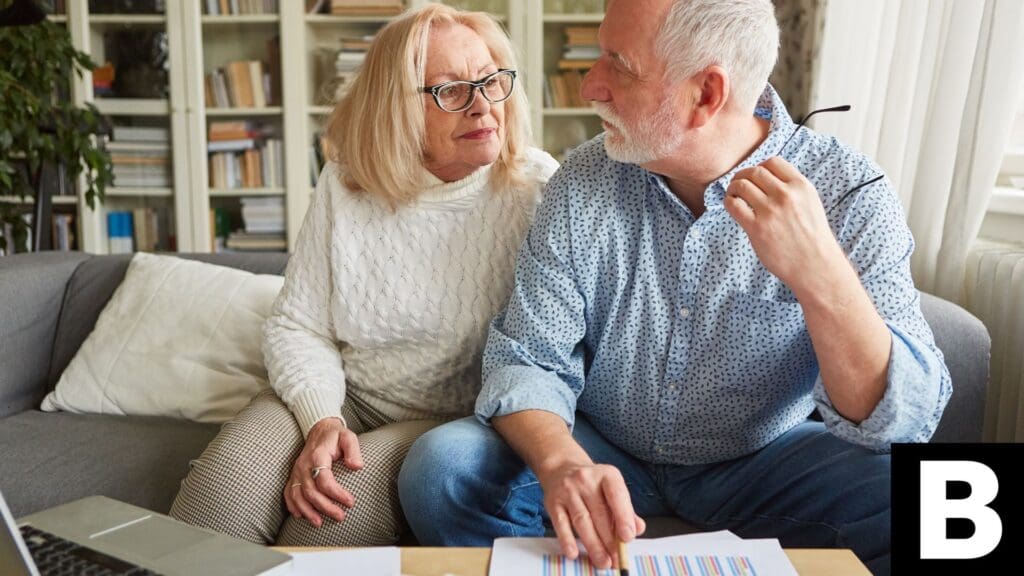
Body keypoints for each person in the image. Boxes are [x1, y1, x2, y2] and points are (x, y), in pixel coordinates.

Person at [397, 1, 950, 574]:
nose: (590, 86)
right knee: (442, 470)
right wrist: (563, 463)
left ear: (706, 94)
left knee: (925, 508)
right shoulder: (581, 182)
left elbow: (901, 423)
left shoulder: (849, 192)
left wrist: (821, 277)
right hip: (604, 447)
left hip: (767, 460)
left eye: (618, 63)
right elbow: (528, 360)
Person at [169, 3, 558, 547]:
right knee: (219, 498)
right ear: (396, 108)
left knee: (321, 522)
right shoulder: (347, 181)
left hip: (450, 423)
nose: (481, 105)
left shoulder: (538, 189)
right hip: (347, 395)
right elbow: (298, 325)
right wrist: (322, 420)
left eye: (491, 80)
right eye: (450, 90)